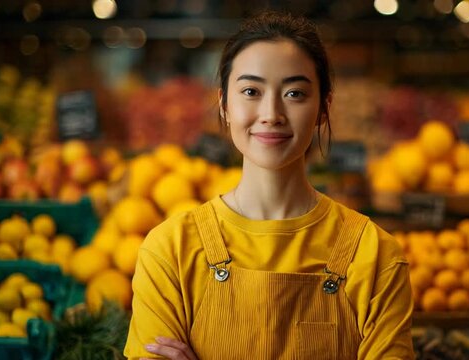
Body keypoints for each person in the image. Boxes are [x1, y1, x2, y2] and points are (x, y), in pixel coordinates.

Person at [124, 10, 414, 360]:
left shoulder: (376, 256)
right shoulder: (169, 251)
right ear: (224, 104)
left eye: (294, 94)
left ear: (324, 107)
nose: (271, 112)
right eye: (251, 91)